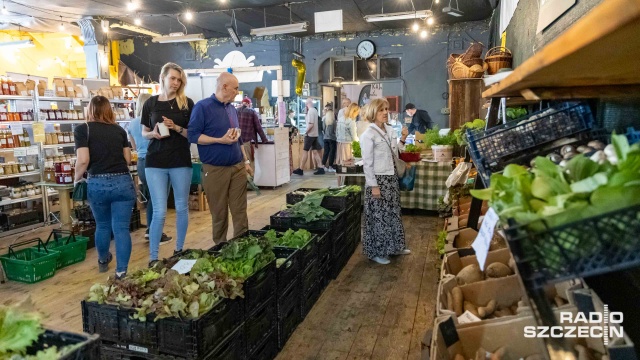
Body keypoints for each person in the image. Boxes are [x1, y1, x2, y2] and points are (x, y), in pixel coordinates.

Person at [74, 96, 136, 279]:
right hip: (122, 182)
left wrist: (76, 179)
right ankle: (121, 271)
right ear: (109, 110)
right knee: (121, 228)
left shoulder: (82, 130)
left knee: (102, 225)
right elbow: (127, 158)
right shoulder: (119, 130)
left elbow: (83, 160)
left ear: (90, 110)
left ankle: (102, 260)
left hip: (97, 183)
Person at [187, 72, 253, 244]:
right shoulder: (202, 107)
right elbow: (193, 136)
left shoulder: (232, 109)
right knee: (219, 213)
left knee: (240, 211)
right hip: (215, 169)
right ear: (224, 86)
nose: (237, 92)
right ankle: (221, 249)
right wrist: (219, 140)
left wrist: (245, 161)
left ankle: (242, 246)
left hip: (237, 167)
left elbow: (238, 138)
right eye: (236, 88)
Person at [141, 62, 194, 265]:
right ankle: (153, 257)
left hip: (180, 160)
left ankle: (179, 249)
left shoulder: (187, 104)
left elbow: (193, 135)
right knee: (160, 210)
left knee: (181, 207)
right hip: (155, 161)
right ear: (162, 77)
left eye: (179, 79)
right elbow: (144, 132)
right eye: (172, 78)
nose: (176, 82)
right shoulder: (151, 104)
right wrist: (153, 134)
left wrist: (177, 128)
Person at [359, 98, 411, 265]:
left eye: (387, 109)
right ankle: (377, 252)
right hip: (378, 180)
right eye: (381, 110)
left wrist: (403, 138)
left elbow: (396, 152)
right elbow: (367, 163)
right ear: (374, 112)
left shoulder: (389, 130)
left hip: (391, 178)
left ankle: (395, 247)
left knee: (393, 213)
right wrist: (373, 185)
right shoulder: (368, 135)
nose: (385, 113)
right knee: (378, 217)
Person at [127, 93, 172, 243]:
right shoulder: (155, 120)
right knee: (158, 199)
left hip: (141, 162)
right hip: (156, 161)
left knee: (152, 198)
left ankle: (151, 230)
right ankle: (154, 232)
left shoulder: (132, 123)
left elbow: (133, 146)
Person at [293, 98, 324, 175]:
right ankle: (321, 167)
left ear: (306, 104)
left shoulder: (310, 112)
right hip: (315, 134)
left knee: (305, 151)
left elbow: (311, 124)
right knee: (315, 151)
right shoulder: (315, 111)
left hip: (310, 135)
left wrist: (305, 132)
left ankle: (301, 168)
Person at [237, 97, 268, 164]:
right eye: (251, 104)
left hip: (237, 143)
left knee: (240, 165)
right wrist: (264, 139)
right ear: (248, 104)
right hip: (246, 142)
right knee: (249, 164)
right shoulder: (252, 112)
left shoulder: (236, 111)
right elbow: (258, 127)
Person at [321, 103, 337, 173]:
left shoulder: (324, 119)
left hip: (325, 138)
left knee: (326, 152)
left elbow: (323, 128)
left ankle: (323, 166)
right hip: (332, 138)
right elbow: (335, 130)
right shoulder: (333, 120)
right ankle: (330, 166)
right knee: (332, 152)